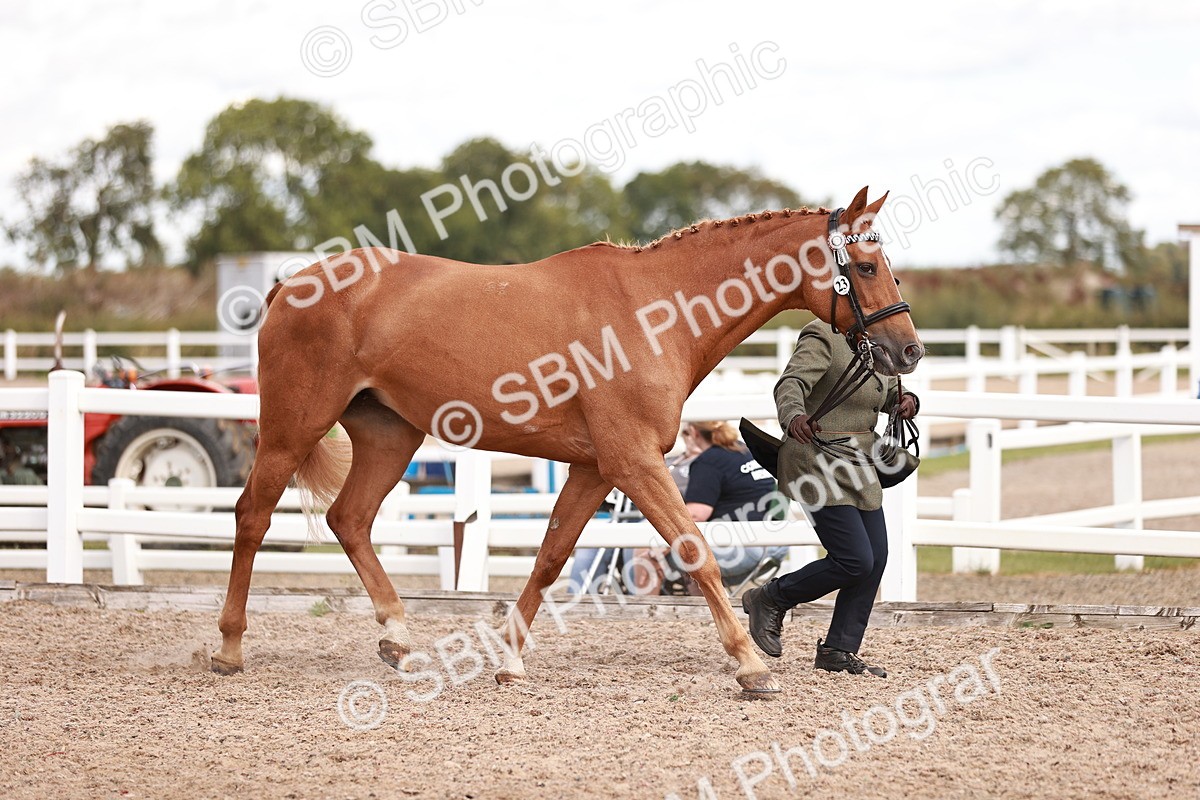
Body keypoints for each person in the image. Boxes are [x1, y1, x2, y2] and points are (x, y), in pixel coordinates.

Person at [741, 319, 919, 677]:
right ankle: (772, 597)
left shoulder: (875, 342)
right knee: (855, 559)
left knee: (876, 557)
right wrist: (793, 416)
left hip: (856, 463)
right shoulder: (823, 335)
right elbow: (790, 384)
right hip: (814, 459)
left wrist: (905, 401)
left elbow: (880, 394)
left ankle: (838, 649)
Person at [649, 421, 787, 595]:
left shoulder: (708, 461)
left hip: (739, 550)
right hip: (773, 543)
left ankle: (645, 611)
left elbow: (696, 515)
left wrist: (661, 544)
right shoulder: (744, 449)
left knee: (647, 550)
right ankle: (706, 609)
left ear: (693, 432)